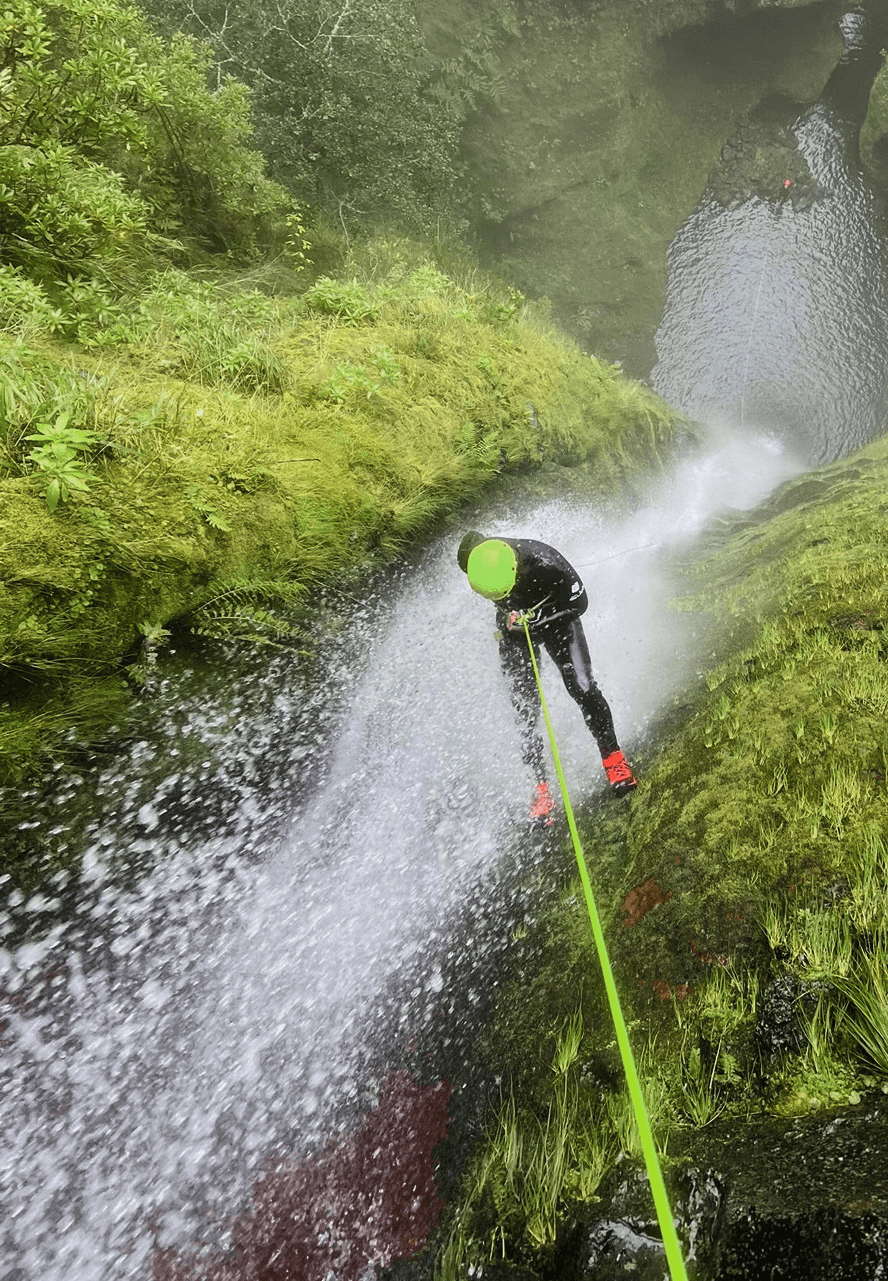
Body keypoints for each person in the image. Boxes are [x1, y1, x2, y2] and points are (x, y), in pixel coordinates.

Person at [457, 531, 637, 825]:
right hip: (515, 630)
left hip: (558, 617)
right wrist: (507, 619)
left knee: (583, 687)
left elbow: (580, 604)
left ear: (514, 570)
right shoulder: (475, 557)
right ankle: (540, 788)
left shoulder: (546, 561)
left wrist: (541, 622)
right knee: (524, 708)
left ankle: (614, 759)